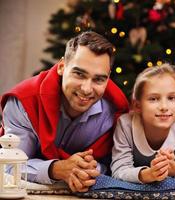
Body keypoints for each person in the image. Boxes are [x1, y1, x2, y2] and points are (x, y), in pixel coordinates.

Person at [0, 31, 129, 192]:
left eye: (98, 79)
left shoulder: (115, 113)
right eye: (79, 74)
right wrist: (56, 169)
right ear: (61, 67)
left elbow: (116, 165)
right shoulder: (24, 101)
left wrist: (90, 170)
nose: (87, 89)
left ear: (108, 78)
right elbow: (11, 165)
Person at [111, 63, 175, 183]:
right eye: (153, 99)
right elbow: (119, 170)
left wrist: (172, 168)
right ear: (138, 106)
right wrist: (147, 175)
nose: (164, 107)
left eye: (171, 98)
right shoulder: (125, 124)